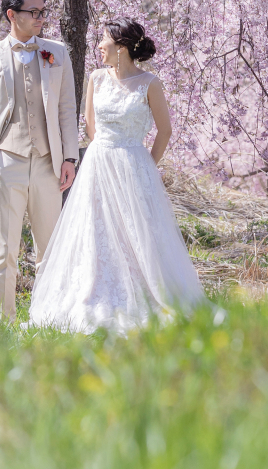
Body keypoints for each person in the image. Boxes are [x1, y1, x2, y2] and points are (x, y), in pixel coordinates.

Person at [28, 17, 206, 333]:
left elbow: (164, 131)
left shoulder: (150, 83)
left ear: (121, 47)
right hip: (99, 163)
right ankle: (92, 291)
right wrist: (103, 153)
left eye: (104, 41)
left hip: (134, 164)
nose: (99, 46)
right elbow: (91, 125)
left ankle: (142, 293)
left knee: (138, 231)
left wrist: (146, 166)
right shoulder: (96, 78)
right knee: (95, 229)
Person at [0, 0, 79, 322]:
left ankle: (48, 316)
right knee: (5, 250)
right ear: (11, 15)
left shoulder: (57, 52)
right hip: (7, 161)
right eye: (33, 12)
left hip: (49, 164)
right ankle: (3, 320)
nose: (40, 18)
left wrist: (70, 158)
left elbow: (66, 109)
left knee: (50, 248)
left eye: (42, 11)